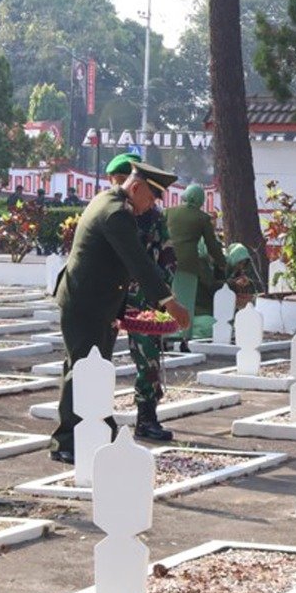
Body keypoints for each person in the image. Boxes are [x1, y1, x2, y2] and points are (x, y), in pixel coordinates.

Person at [49, 159, 190, 464]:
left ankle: (100, 429)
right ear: (136, 188)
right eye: (151, 198)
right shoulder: (116, 214)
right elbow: (138, 262)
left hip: (98, 303)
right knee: (82, 370)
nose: (150, 205)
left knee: (92, 369)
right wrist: (170, 303)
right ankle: (67, 441)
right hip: (86, 304)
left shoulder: (110, 201)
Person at [105, 153, 177, 441]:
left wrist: (163, 298)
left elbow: (167, 257)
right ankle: (93, 417)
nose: (120, 189)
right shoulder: (109, 211)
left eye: (124, 182)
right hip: (110, 297)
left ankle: (146, 417)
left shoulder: (153, 217)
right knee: (96, 357)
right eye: (116, 182)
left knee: (149, 360)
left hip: (144, 299)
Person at [165, 183, 226, 347]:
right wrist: (222, 263)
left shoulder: (169, 212)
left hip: (167, 262)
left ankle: (164, 333)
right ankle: (182, 337)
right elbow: (212, 245)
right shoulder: (202, 218)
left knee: (168, 298)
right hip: (188, 264)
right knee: (185, 302)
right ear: (200, 200)